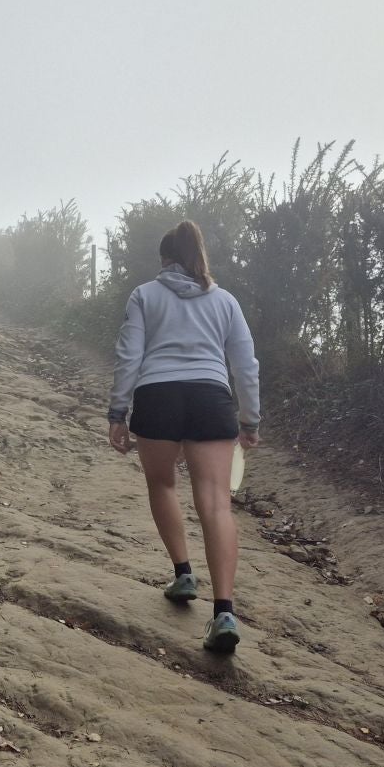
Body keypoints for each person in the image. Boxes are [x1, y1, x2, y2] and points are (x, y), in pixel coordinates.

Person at [107, 220, 261, 654]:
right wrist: (250, 421)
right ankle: (224, 612)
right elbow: (246, 365)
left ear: (164, 260)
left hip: (157, 397)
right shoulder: (225, 301)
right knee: (215, 503)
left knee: (162, 484)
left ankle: (183, 574)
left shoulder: (145, 295)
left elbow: (129, 355)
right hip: (212, 399)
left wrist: (118, 412)